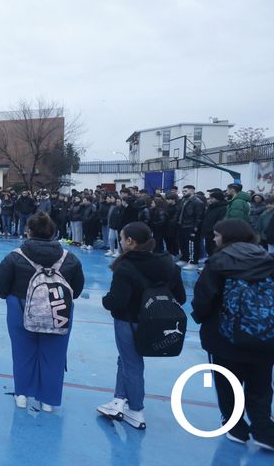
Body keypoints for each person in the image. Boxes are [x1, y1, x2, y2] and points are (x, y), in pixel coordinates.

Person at [191, 219, 274, 450]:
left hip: (224, 335)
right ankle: (263, 428)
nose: (215, 239)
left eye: (217, 235)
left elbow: (204, 298)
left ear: (227, 237)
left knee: (228, 382)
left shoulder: (218, 262)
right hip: (265, 335)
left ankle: (235, 425)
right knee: (261, 383)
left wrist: (201, 317)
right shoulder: (267, 259)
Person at [96, 222, 186, 429]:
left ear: (130, 241)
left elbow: (117, 300)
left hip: (129, 321)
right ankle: (119, 398)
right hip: (155, 323)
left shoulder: (126, 267)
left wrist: (105, 301)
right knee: (126, 360)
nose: (119, 241)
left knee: (132, 364)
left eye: (121, 237)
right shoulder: (168, 264)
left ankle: (136, 410)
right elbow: (179, 297)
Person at [0, 212, 85, 410]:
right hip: (58, 311)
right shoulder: (70, 259)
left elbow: (1, 289)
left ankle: (22, 395)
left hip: (21, 309)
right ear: (53, 232)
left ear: (29, 232)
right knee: (54, 356)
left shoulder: (14, 258)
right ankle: (48, 400)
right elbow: (76, 291)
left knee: (22, 353)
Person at [177, 185, 205, 271]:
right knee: (182, 243)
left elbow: (199, 217)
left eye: (185, 191)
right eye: (183, 191)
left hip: (190, 226)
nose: (183, 192)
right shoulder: (183, 200)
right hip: (182, 225)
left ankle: (193, 262)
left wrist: (195, 228)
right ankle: (184, 258)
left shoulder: (197, 202)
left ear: (192, 191)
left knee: (191, 245)